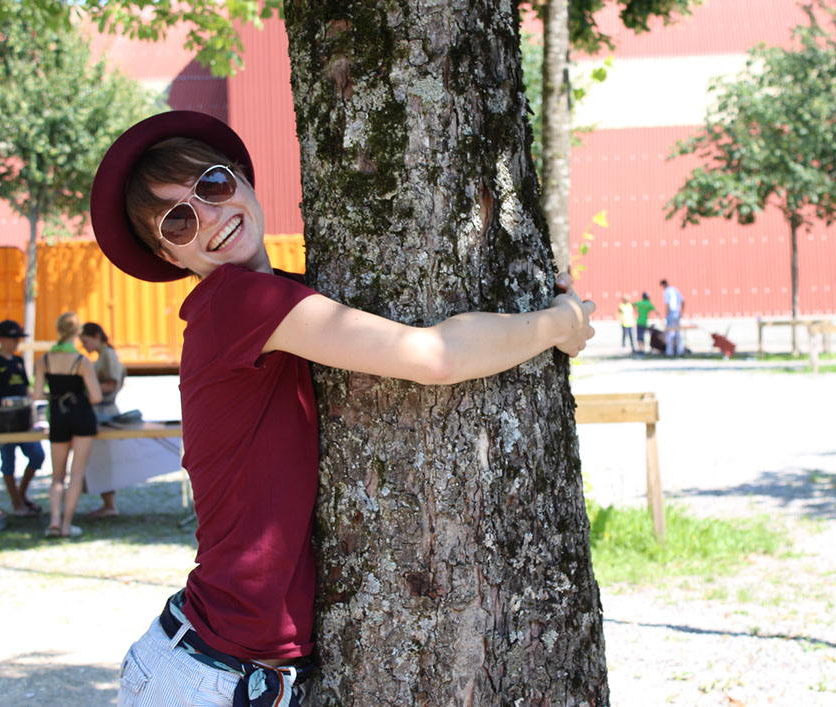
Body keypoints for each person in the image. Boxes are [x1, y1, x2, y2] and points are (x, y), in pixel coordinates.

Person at [90, 111, 595, 706]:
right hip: (212, 676)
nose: (209, 216)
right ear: (171, 256)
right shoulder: (239, 303)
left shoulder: (273, 300)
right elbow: (436, 357)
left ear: (244, 179)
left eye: (214, 185)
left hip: (218, 664)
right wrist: (559, 322)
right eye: (178, 221)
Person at [33, 312, 102, 539]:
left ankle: (54, 521)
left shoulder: (44, 360)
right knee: (76, 474)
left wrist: (55, 395)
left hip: (58, 416)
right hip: (81, 415)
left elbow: (37, 394)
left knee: (57, 477)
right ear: (77, 332)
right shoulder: (82, 361)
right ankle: (66, 525)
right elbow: (96, 397)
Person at [0, 319, 45, 516]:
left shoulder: (18, 361)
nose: (17, 342)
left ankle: (21, 494)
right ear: (1, 339)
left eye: (18, 339)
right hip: (3, 422)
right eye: (13, 338)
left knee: (37, 455)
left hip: (23, 420)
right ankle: (17, 503)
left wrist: (37, 404)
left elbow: (26, 389)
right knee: (8, 461)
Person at [79, 321, 125, 518]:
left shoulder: (108, 355)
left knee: (102, 459)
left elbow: (111, 384)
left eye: (85, 341)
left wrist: (86, 391)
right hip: (99, 411)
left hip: (105, 412)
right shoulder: (103, 356)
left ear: (97, 336)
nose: (84, 346)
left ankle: (109, 504)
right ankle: (107, 503)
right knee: (99, 459)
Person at [660, 278, 686, 356]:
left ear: (663, 285)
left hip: (671, 313)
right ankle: (680, 350)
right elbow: (683, 301)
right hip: (677, 313)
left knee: (670, 332)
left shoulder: (667, 291)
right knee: (678, 332)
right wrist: (682, 312)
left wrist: (666, 314)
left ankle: (669, 351)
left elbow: (667, 304)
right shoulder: (675, 290)